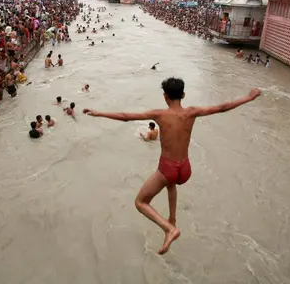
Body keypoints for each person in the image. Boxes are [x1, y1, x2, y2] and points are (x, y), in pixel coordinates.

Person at [83, 78, 261, 254]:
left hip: (168, 169)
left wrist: (99, 113)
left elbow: (125, 117)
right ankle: (172, 220)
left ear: (165, 96)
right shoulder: (192, 112)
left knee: (140, 202)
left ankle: (169, 229)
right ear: (183, 95)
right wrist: (249, 97)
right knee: (171, 185)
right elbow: (222, 108)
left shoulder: (160, 114)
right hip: (185, 169)